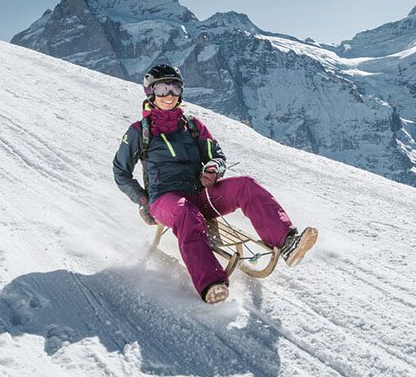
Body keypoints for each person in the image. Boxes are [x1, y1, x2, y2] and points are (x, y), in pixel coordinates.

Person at [113, 63, 318, 303]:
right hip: (165, 200)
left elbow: (216, 155)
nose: (169, 96)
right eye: (162, 90)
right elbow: (120, 171)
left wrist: (213, 168)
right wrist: (143, 200)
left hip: (201, 193)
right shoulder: (140, 132)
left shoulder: (192, 126)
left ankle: (287, 243)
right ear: (150, 93)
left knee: (245, 185)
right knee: (186, 214)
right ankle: (211, 282)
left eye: (174, 88)